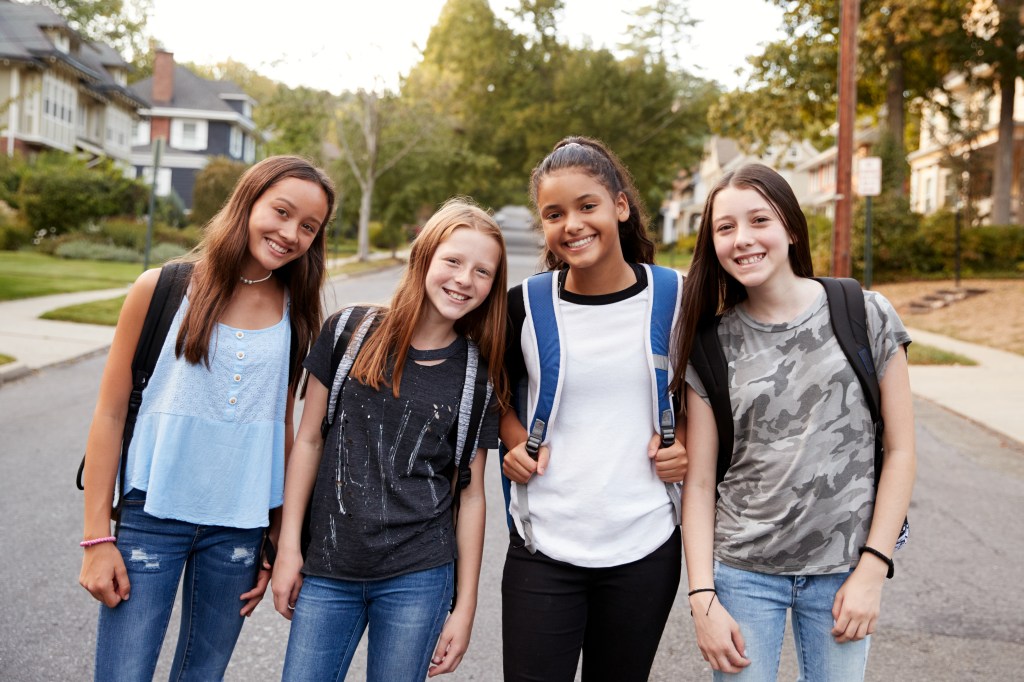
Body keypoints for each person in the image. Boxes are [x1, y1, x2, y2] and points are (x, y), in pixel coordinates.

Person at [78, 155, 335, 681]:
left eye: (308, 226)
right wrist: (96, 539)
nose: (290, 233)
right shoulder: (161, 288)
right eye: (281, 212)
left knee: (203, 675)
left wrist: (275, 539)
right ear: (248, 202)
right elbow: (108, 415)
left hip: (238, 530)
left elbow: (281, 429)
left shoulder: (298, 314)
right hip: (152, 513)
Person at [676, 163, 916, 681]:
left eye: (758, 220)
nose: (743, 239)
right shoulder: (710, 342)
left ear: (790, 226)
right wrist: (702, 598)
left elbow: (900, 451)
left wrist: (873, 568)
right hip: (743, 573)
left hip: (843, 572)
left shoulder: (865, 314)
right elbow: (698, 482)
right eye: (725, 228)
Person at [271, 198, 508, 681]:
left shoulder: (478, 379)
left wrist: (464, 608)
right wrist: (288, 548)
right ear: (423, 258)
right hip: (328, 569)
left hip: (418, 577)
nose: (465, 279)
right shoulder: (348, 332)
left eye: (483, 272)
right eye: (453, 261)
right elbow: (310, 442)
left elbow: (472, 495)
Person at [500, 136, 687, 682]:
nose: (572, 224)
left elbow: (705, 394)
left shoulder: (676, 297)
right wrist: (515, 439)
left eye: (588, 206)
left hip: (645, 545)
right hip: (544, 544)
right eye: (554, 214)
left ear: (620, 207)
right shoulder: (527, 304)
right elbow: (494, 391)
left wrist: (688, 444)